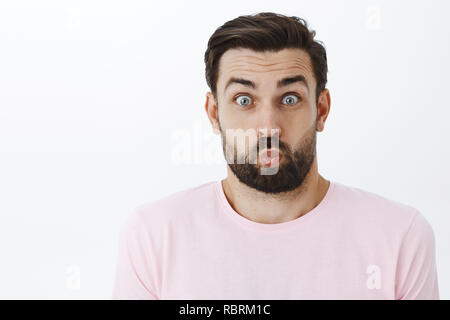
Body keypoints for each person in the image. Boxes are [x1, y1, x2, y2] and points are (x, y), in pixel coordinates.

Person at [112, 12, 439, 299]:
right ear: (214, 114)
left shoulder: (400, 236)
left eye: (290, 99)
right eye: (243, 100)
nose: (268, 126)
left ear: (321, 109)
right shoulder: (153, 236)